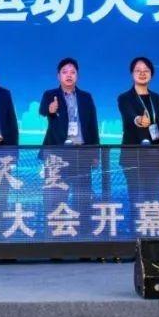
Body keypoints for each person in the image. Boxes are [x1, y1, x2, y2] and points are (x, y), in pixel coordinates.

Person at [39, 57, 101, 216]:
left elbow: (92, 126)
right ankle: (54, 230)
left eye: (72, 72)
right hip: (56, 153)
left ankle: (82, 229)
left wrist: (95, 154)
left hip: (81, 153)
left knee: (83, 199)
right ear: (58, 76)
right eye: (65, 72)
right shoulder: (50, 94)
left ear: (77, 76)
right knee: (54, 198)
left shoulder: (86, 97)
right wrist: (51, 109)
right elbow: (43, 110)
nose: (69, 75)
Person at [117, 56, 159, 212]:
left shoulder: (157, 98)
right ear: (132, 74)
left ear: (151, 74)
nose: (142, 73)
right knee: (137, 200)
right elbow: (128, 115)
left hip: (155, 157)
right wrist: (138, 119)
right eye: (138, 71)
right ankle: (137, 228)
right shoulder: (124, 98)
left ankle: (152, 228)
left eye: (146, 70)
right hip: (133, 156)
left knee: (155, 200)